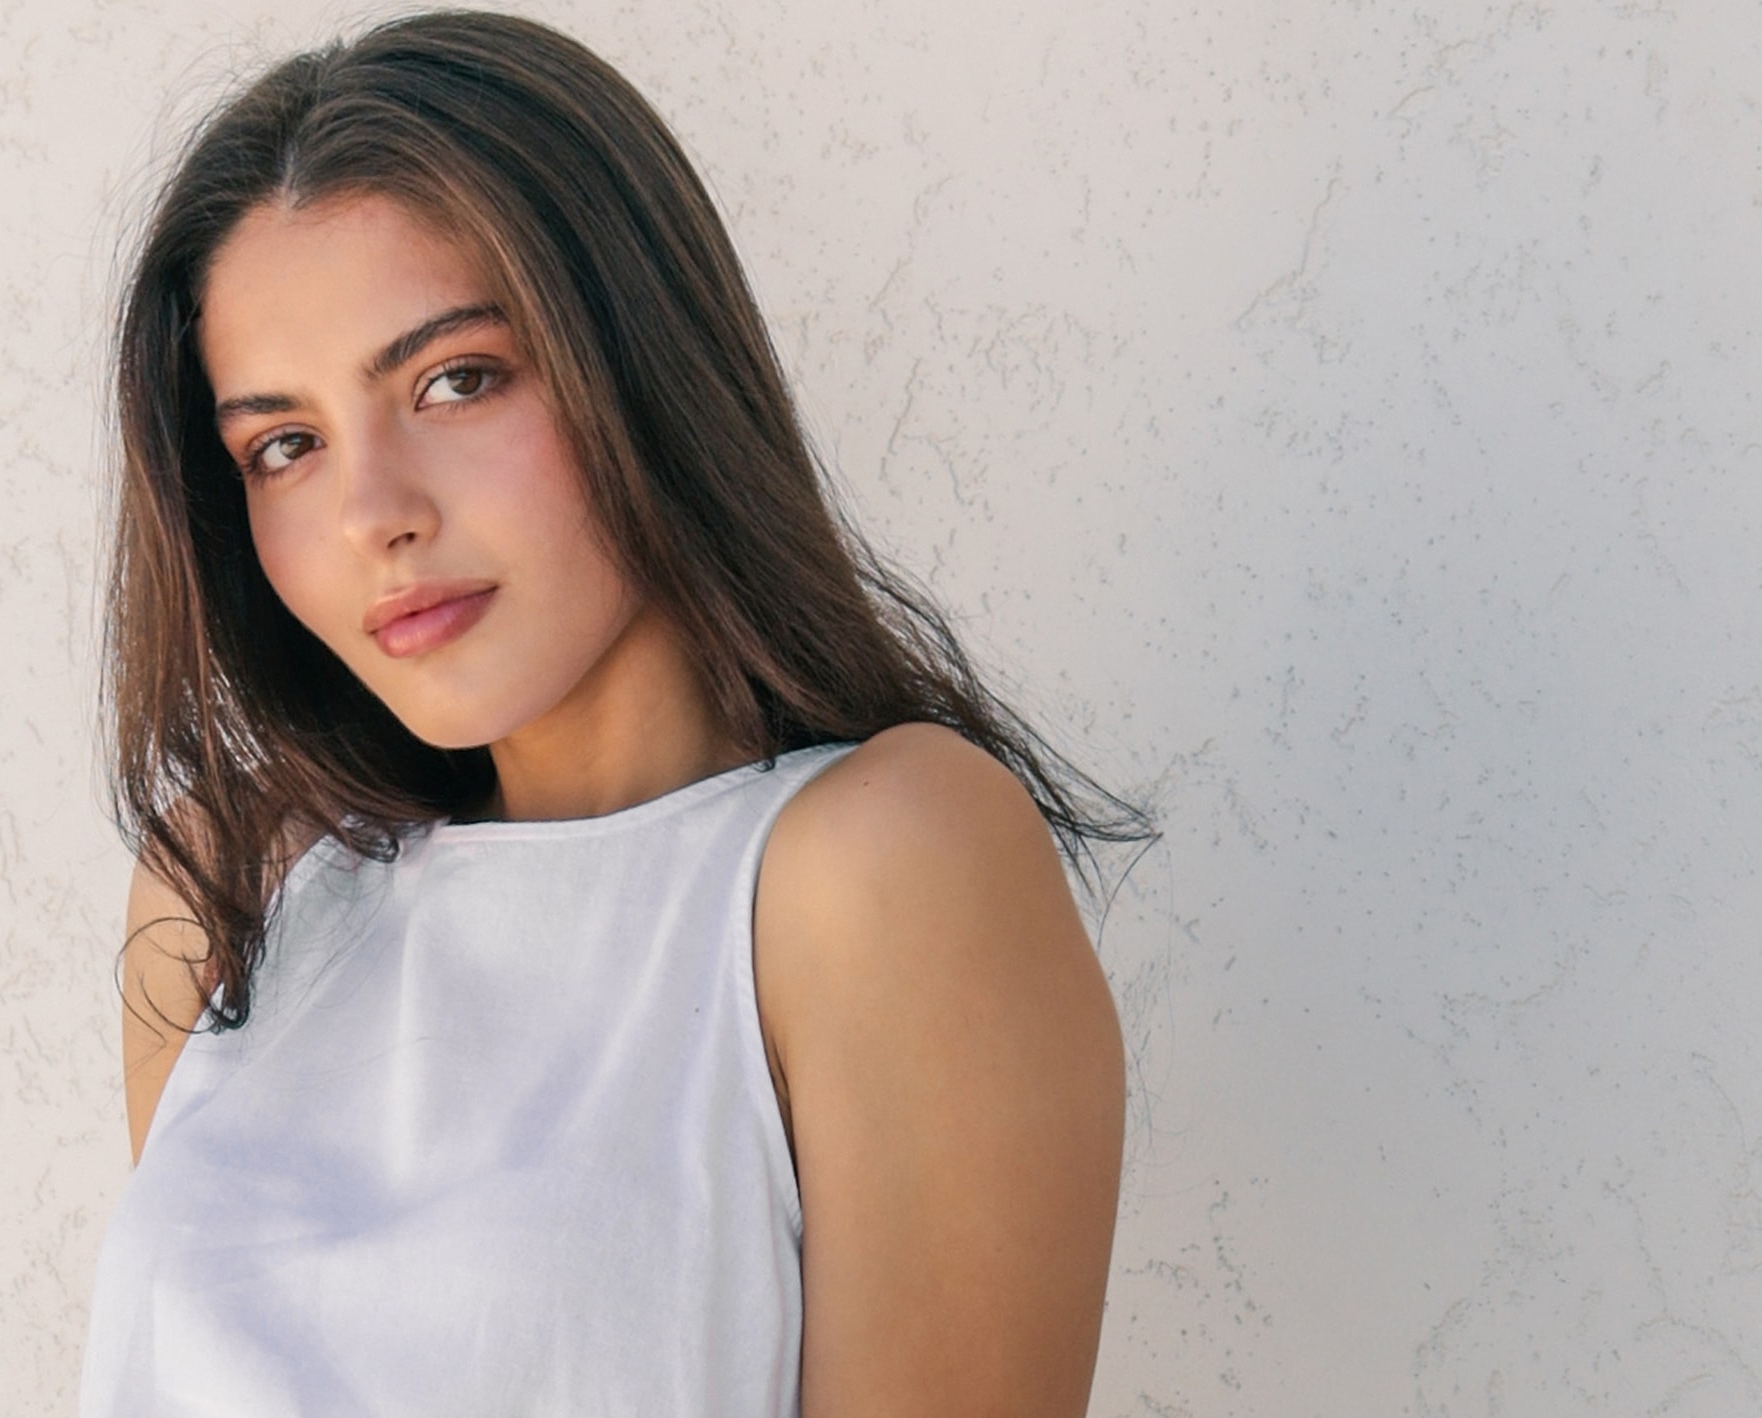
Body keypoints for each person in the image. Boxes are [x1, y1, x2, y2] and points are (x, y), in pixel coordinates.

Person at [79, 10, 1149, 1415]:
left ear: (636, 359)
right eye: (285, 445)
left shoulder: (874, 867)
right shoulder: (231, 884)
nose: (372, 515)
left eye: (455, 379)